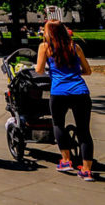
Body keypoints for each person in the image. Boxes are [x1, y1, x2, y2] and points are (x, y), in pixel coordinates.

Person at [36, 20, 95, 180]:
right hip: (80, 91)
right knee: (84, 131)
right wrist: (73, 74)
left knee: (58, 124)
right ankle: (87, 170)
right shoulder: (75, 47)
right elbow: (88, 71)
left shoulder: (45, 47)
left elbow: (39, 70)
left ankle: (66, 160)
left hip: (59, 92)